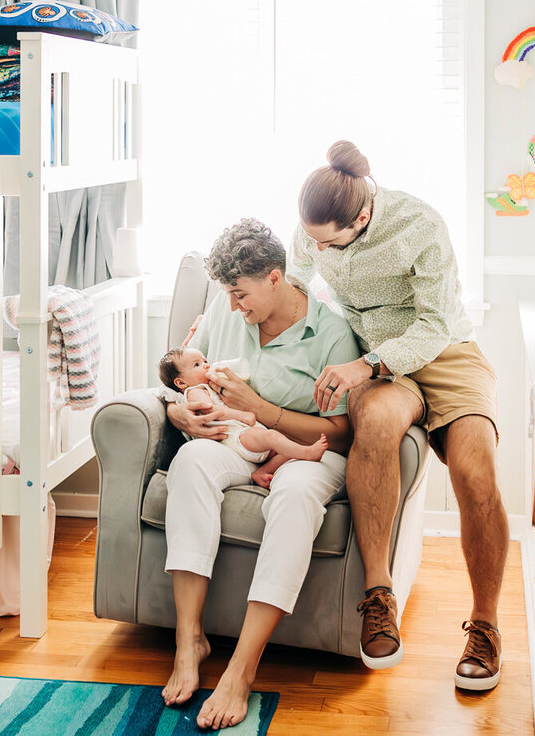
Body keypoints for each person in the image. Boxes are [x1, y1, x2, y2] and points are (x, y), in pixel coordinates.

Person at [295, 141, 507, 693]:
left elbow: (436, 323)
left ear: (362, 217)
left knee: (475, 471)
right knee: (379, 425)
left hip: (443, 350)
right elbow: (295, 280)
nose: (316, 247)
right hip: (379, 364)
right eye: (312, 238)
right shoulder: (314, 226)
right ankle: (379, 596)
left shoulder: (419, 224)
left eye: (326, 241)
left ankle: (485, 625)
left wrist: (365, 364)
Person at [161, 219, 360, 731]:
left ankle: (241, 668)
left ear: (275, 278)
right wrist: (177, 410)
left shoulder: (331, 333)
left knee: (294, 498)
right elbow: (179, 379)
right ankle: (190, 641)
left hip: (308, 452)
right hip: (233, 440)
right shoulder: (223, 315)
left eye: (240, 294)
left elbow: (339, 432)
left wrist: (264, 411)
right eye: (226, 294)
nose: (232, 306)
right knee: (189, 463)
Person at [158, 348, 330, 487]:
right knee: (272, 437)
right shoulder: (195, 391)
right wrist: (242, 414)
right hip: (235, 438)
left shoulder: (209, 386)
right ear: (181, 382)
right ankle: (307, 453)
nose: (206, 366)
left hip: (245, 436)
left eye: (205, 361)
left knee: (284, 445)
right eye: (197, 365)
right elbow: (211, 411)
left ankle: (262, 472)